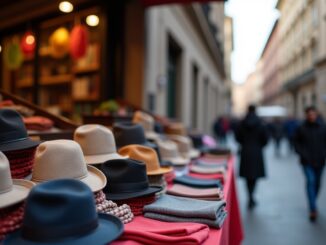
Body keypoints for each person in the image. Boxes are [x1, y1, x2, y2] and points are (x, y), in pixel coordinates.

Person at [294, 106, 326, 222]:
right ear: (306, 115)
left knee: (317, 183)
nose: (311, 116)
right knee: (311, 181)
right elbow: (296, 142)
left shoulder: (323, 127)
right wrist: (301, 153)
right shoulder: (301, 128)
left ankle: (312, 200)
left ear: (316, 114)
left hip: (320, 160)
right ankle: (313, 208)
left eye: (313, 114)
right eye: (309, 114)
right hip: (307, 161)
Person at [235, 105, 269, 209]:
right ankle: (252, 196)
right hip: (257, 152)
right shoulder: (261, 123)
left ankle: (250, 196)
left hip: (245, 151)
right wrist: (259, 146)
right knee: (254, 176)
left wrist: (244, 143)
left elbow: (237, 137)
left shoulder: (242, 123)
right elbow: (265, 138)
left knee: (247, 177)